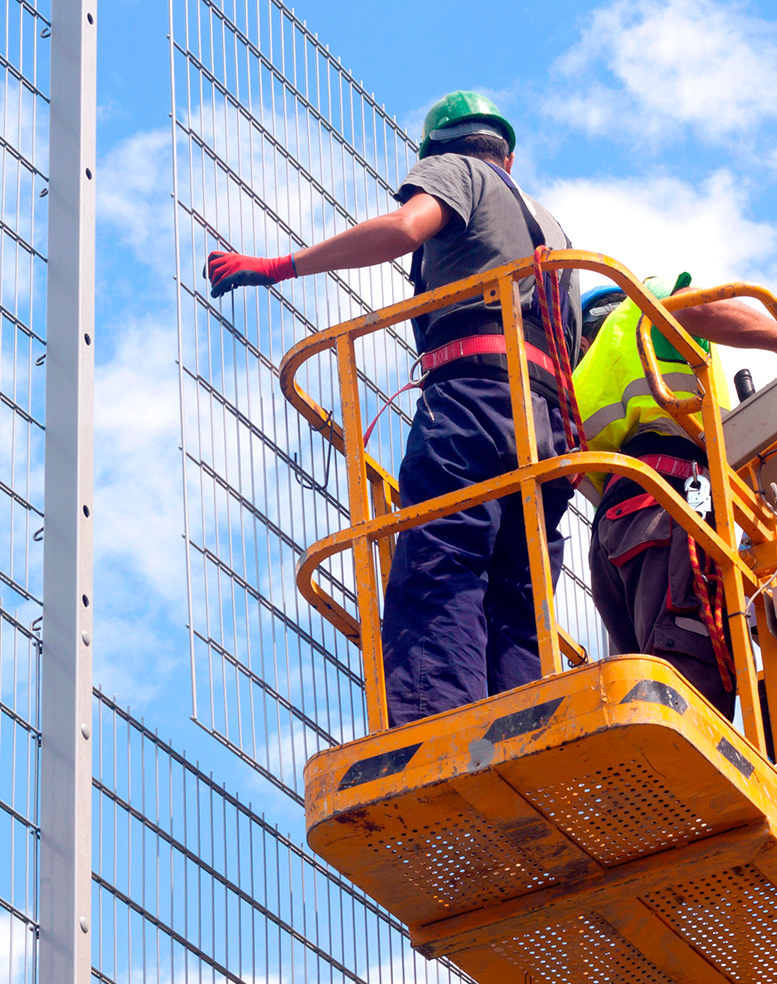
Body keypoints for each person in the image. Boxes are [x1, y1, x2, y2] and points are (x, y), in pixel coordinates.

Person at [207, 91, 581, 728]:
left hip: (474, 400)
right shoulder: (554, 228)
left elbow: (407, 227)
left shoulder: (458, 171)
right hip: (548, 427)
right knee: (519, 593)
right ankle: (531, 726)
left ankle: (435, 732)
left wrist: (281, 266)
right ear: (509, 156)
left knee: (442, 558)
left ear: (437, 150)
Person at [574, 272, 777, 715]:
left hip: (617, 529)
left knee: (644, 685)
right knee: (690, 685)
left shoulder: (580, 381)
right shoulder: (640, 314)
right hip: (671, 506)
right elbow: (696, 308)